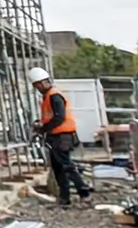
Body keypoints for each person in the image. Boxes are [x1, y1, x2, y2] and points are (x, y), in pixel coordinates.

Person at [29, 66, 92, 206]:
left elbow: (59, 117)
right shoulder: (49, 96)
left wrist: (43, 129)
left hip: (62, 136)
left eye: (38, 85)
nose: (38, 88)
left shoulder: (54, 96)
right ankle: (64, 197)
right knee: (58, 167)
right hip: (56, 136)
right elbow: (52, 117)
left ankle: (84, 192)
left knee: (66, 166)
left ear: (41, 83)